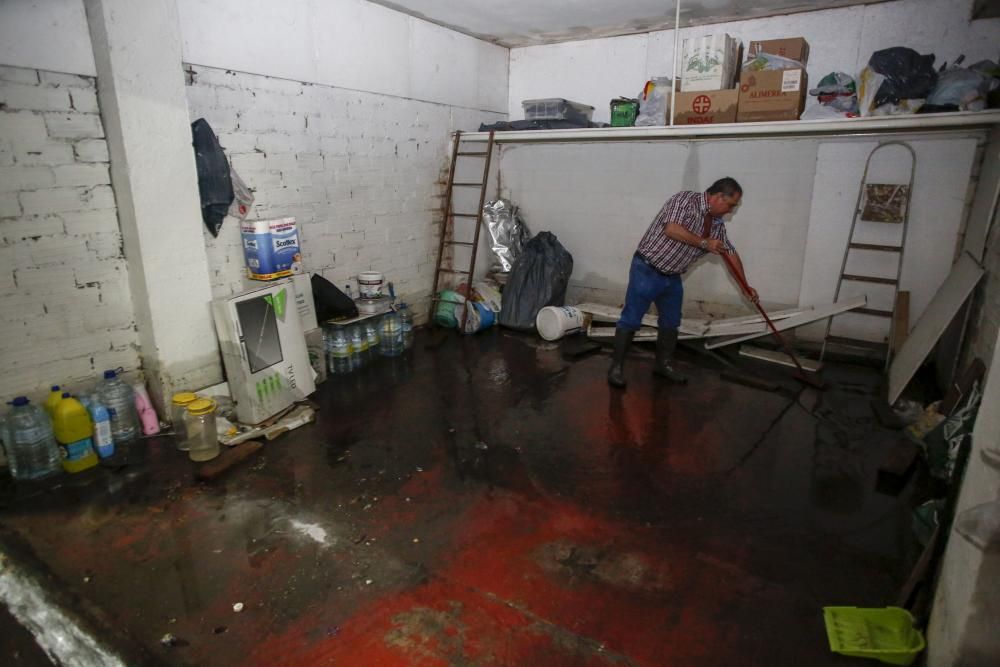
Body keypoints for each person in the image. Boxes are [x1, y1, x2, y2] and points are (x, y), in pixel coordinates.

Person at [608, 177, 757, 388]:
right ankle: (616, 368)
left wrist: (745, 286)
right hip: (647, 269)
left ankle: (663, 365)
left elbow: (730, 253)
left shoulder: (716, 225)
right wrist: (704, 242)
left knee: (671, 322)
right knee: (631, 319)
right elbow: (672, 229)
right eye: (731, 205)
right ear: (718, 197)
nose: (731, 211)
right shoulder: (685, 200)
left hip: (672, 278)